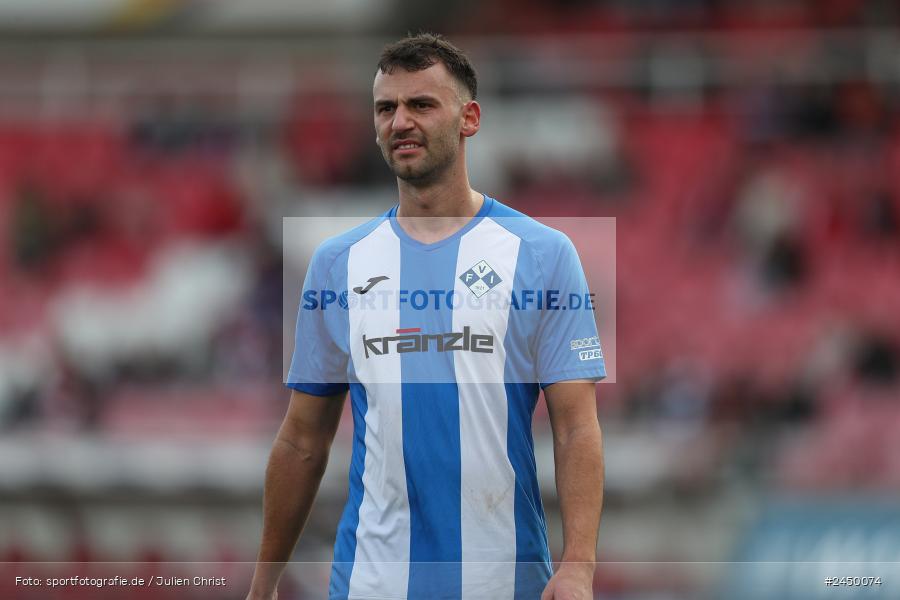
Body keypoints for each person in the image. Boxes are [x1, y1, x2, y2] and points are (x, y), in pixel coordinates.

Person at [247, 33, 605, 600]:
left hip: (505, 582)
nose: (400, 121)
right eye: (386, 108)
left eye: (422, 104)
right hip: (368, 582)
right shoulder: (337, 263)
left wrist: (579, 564)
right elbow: (302, 440)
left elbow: (576, 426)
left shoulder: (542, 254)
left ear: (470, 118)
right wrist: (262, 586)